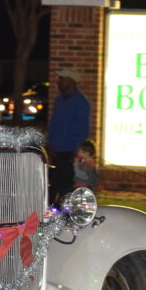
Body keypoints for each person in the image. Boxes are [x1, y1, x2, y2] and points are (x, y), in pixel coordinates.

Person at [46, 68, 90, 204]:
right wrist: (50, 143)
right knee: (51, 186)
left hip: (70, 153)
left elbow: (83, 130)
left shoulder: (81, 101)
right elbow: (54, 123)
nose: (58, 82)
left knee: (66, 188)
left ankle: (62, 216)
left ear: (71, 81)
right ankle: (49, 213)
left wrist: (76, 153)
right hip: (56, 152)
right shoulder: (59, 100)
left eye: (61, 79)